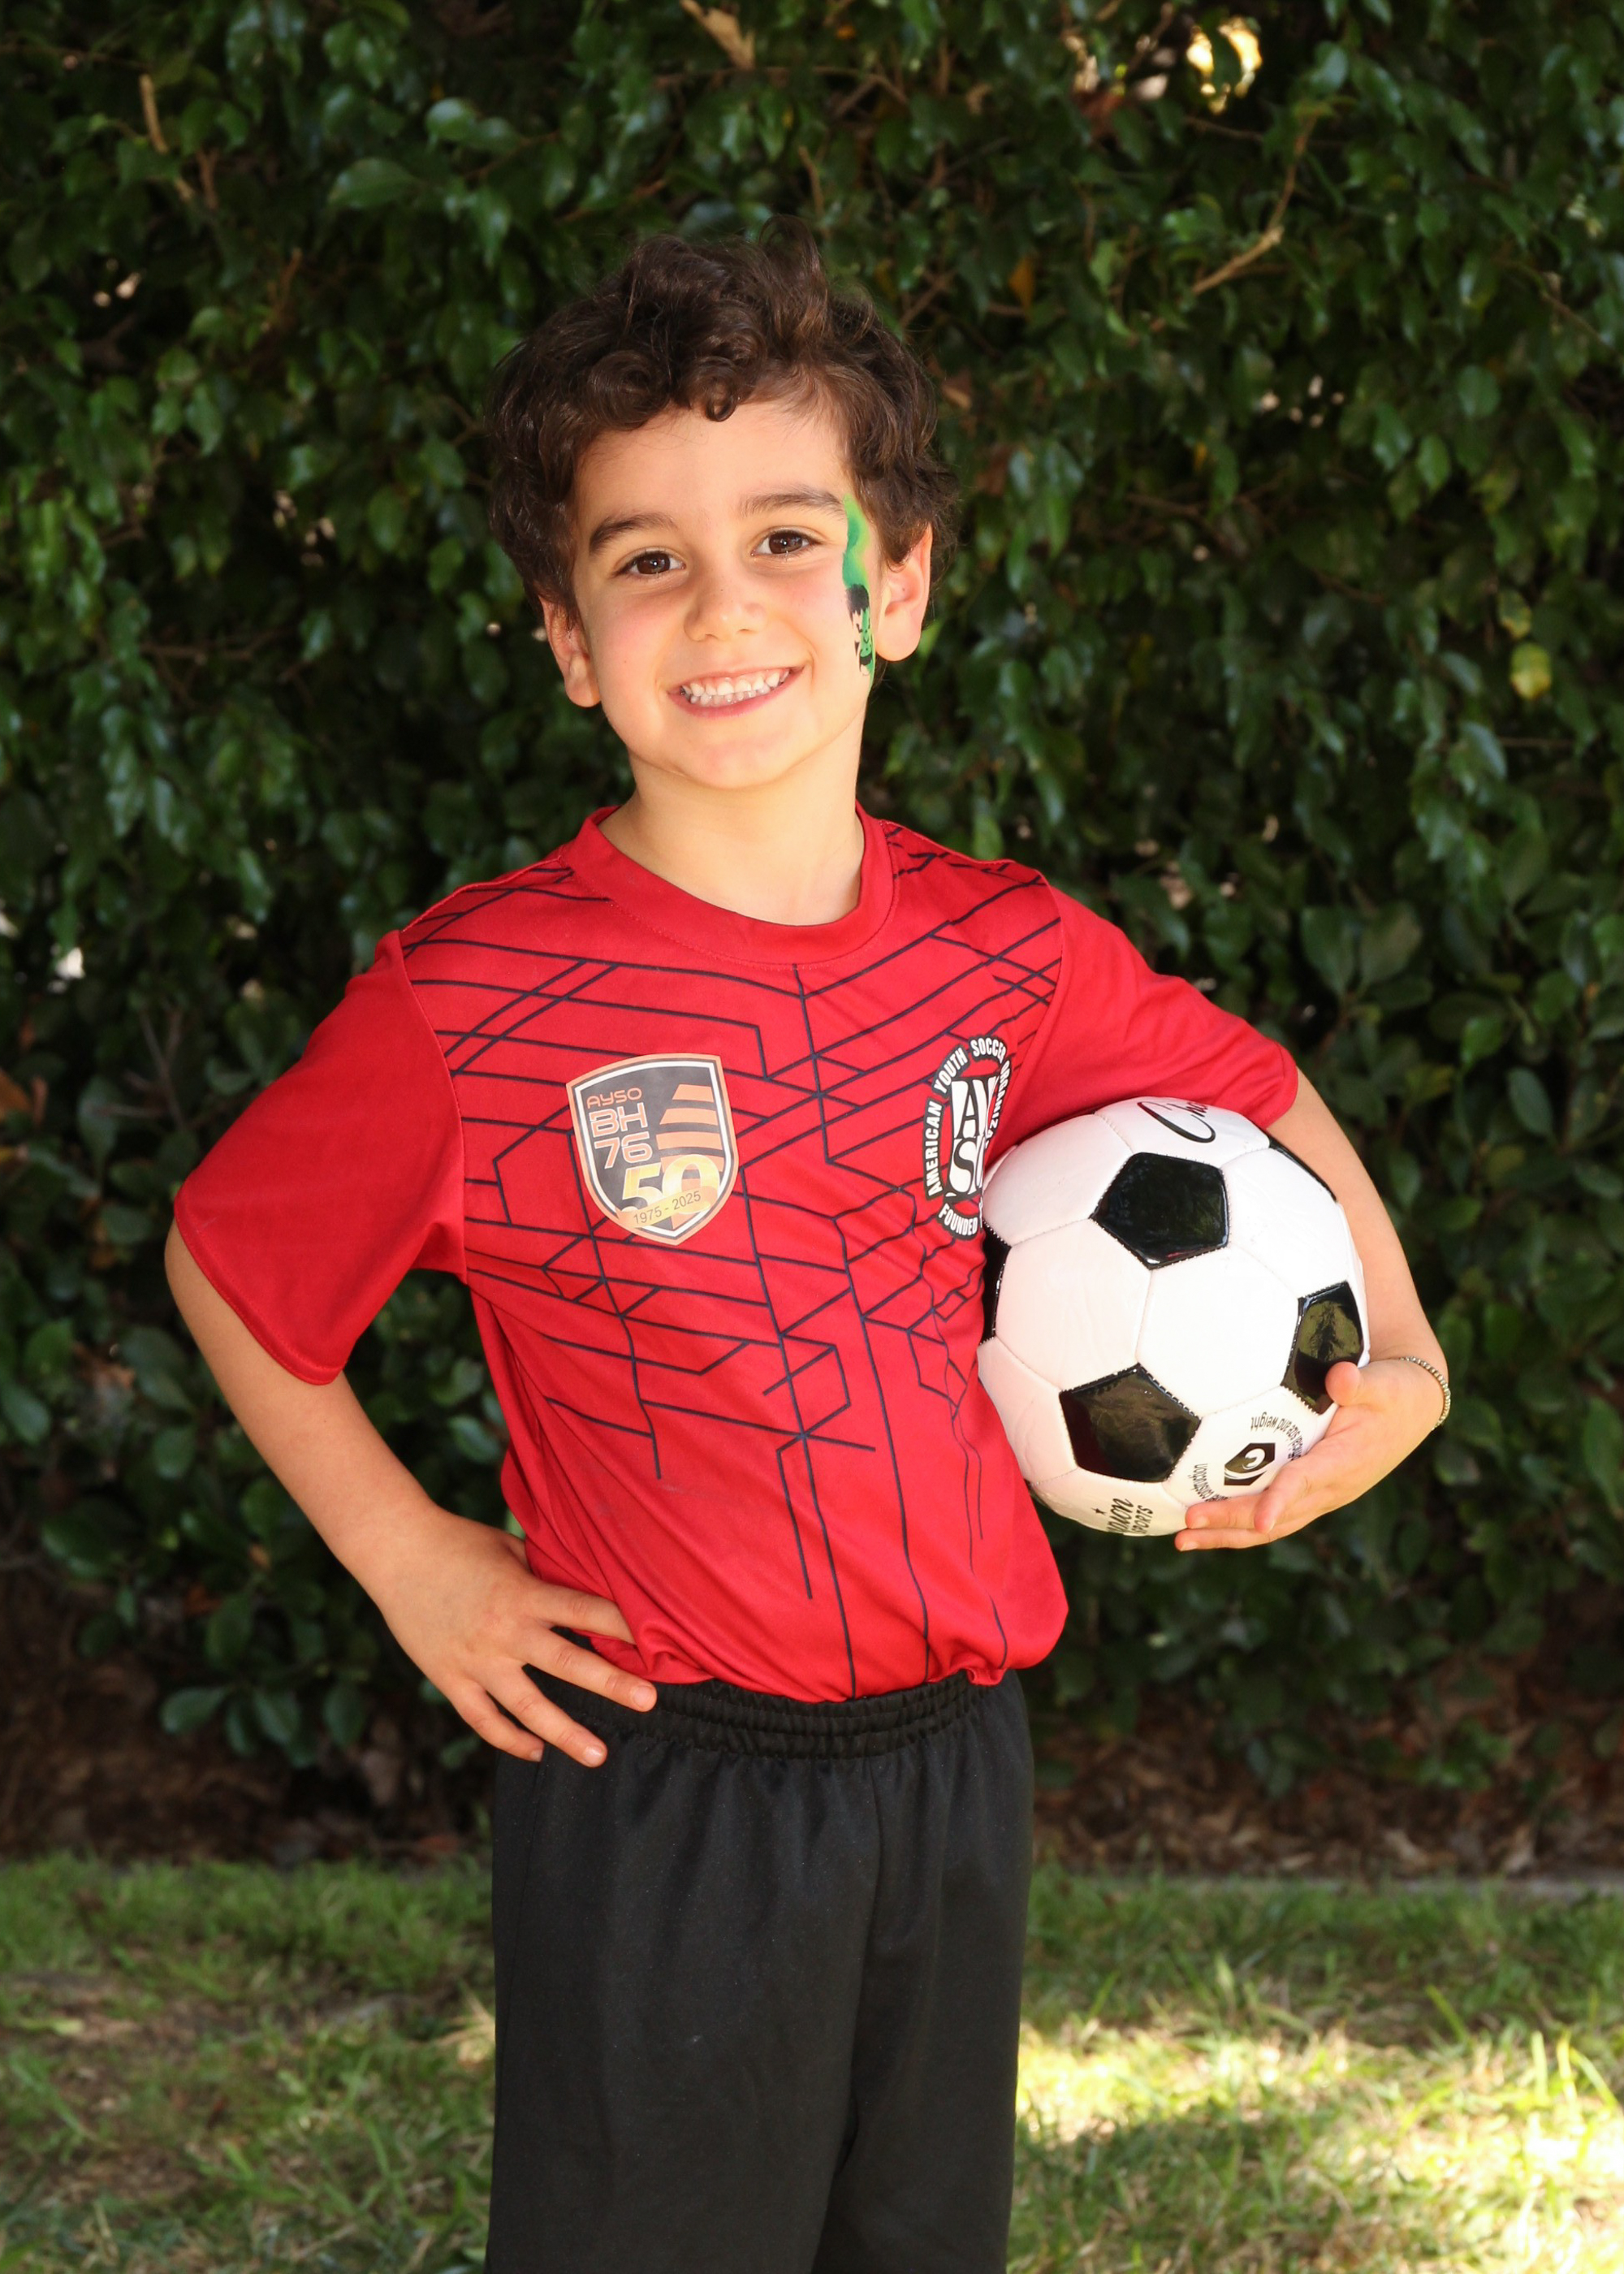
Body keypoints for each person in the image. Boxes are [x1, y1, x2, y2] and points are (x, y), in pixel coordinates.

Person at [165, 223, 1450, 2274]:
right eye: (643, 558)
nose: (723, 602)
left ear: (898, 586)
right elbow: (234, 1260)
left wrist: (1405, 1352)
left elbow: (1263, 1092)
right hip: (661, 1785)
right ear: (568, 640)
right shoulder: (474, 1004)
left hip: (951, 1763)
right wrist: (412, 1560)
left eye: (785, 534)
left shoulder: (1009, 953)